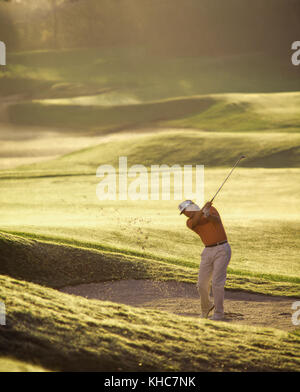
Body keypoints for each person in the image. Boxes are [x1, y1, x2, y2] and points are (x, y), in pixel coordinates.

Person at [178, 199, 231, 321]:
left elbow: (216, 221)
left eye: (185, 210)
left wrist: (208, 214)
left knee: (217, 283)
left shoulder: (211, 210)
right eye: (183, 212)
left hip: (222, 249)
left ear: (192, 206)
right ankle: (206, 307)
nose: (185, 213)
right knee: (201, 284)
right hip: (207, 251)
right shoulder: (190, 222)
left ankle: (218, 313)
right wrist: (203, 211)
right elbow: (197, 221)